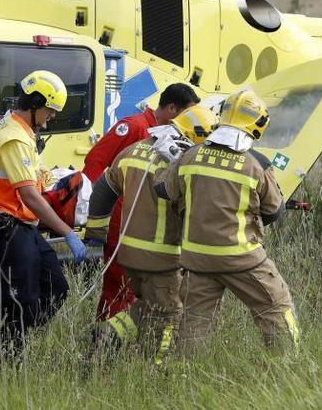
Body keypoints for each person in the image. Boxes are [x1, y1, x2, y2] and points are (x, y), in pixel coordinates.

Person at [154, 90, 298, 353]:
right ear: (257, 123)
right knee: (277, 306)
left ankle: (185, 375)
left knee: (194, 324)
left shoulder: (190, 155)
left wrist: (169, 161)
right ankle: (288, 365)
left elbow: (164, 190)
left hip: (197, 259)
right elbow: (274, 211)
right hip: (241, 258)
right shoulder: (256, 163)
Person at [86, 105, 218, 362]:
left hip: (128, 254)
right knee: (169, 314)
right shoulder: (178, 161)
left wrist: (96, 233)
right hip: (161, 258)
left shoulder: (135, 148)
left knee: (146, 306)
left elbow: (102, 191)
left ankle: (109, 333)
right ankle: (156, 368)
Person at [0, 70, 87, 350]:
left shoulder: (23, 132)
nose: (51, 116)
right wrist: (66, 232)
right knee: (23, 299)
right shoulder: (14, 137)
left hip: (22, 226)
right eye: (50, 110)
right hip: (6, 226)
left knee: (57, 289)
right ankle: (2, 351)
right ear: (36, 103)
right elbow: (28, 194)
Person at [82, 83, 200, 323]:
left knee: (147, 293)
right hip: (122, 218)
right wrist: (88, 212)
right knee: (118, 284)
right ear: (170, 108)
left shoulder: (174, 139)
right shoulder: (134, 127)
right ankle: (105, 336)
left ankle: (128, 338)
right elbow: (95, 162)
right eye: (186, 114)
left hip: (147, 223)